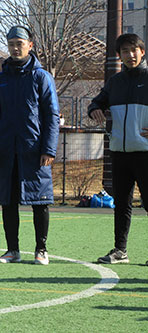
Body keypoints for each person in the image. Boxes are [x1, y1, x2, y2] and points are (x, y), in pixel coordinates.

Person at [0, 26, 60, 265]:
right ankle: (12, 250)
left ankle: (41, 249)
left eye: (20, 43)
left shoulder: (41, 77)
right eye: (12, 44)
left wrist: (49, 148)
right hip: (7, 150)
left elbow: (52, 115)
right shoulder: (0, 79)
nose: (16, 48)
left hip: (34, 151)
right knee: (8, 200)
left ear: (30, 45)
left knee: (40, 200)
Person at [88, 33, 148, 265]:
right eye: (125, 51)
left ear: (142, 51)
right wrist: (94, 109)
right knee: (121, 203)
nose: (130, 55)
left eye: (134, 50)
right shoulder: (115, 82)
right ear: (120, 55)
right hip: (120, 152)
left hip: (145, 153)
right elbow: (97, 102)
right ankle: (120, 251)